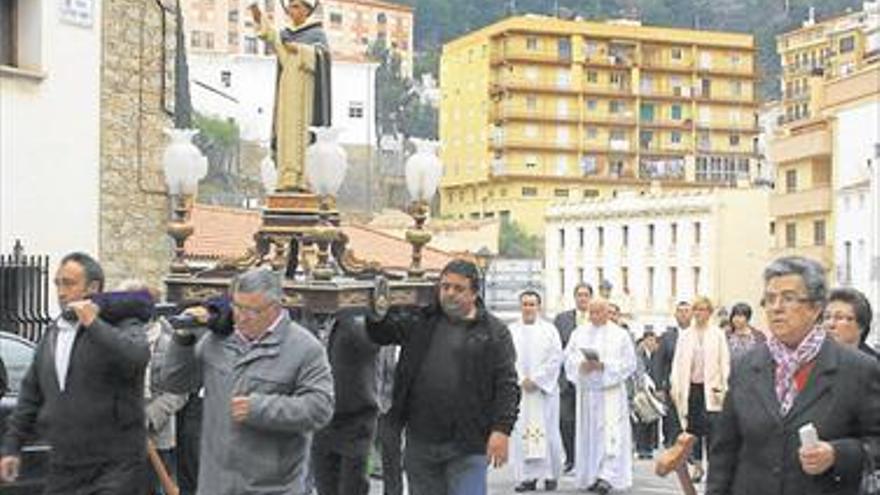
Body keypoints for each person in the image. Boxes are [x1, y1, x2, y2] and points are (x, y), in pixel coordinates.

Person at [708, 256, 880, 495]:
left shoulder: (858, 368)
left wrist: (837, 454)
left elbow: (875, 441)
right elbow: (724, 454)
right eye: (769, 299)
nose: (776, 307)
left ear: (816, 307)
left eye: (788, 298)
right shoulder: (746, 366)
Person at [158, 267, 334, 495]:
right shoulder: (217, 340)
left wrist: (259, 408)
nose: (241, 317)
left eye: (252, 310)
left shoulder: (305, 348)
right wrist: (183, 339)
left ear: (276, 307)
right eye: (237, 307)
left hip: (272, 488)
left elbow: (321, 408)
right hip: (215, 485)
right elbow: (175, 383)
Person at [0, 252, 152, 493]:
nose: (61, 292)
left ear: (93, 287)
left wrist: (94, 324)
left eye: (69, 284)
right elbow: (30, 396)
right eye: (58, 284)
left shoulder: (123, 324)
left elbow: (136, 358)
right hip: (65, 465)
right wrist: (12, 448)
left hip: (115, 469)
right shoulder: (52, 334)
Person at [365, 259, 520, 495]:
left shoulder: (493, 332)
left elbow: (506, 385)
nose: (450, 294)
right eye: (445, 287)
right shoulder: (421, 321)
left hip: (468, 443)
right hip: (421, 441)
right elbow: (381, 333)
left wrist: (502, 429)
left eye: (459, 289)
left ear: (475, 293)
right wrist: (377, 308)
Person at [116, 280, 189, 495]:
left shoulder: (169, 343)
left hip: (157, 440)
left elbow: (178, 391)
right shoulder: (115, 340)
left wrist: (148, 417)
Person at [251, 0, 331, 192]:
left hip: (305, 92)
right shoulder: (285, 34)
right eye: (290, 6)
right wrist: (256, 13)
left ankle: (302, 177)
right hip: (287, 89)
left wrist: (301, 50)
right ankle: (286, 176)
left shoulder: (316, 34)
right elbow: (270, 35)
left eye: (296, 7)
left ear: (306, 10)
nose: (291, 11)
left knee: (301, 132)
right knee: (286, 130)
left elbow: (323, 56)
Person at [563, 298, 637, 495]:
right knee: (590, 434)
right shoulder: (579, 333)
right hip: (588, 394)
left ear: (607, 312)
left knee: (610, 435)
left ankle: (608, 475)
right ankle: (591, 475)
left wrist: (605, 366)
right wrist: (581, 365)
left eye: (599, 312)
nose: (594, 316)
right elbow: (568, 357)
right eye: (591, 312)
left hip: (610, 392)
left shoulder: (620, 334)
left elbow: (630, 363)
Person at [311, 313, 380, 495]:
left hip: (356, 420)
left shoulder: (355, 324)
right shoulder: (320, 321)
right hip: (323, 420)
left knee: (352, 487)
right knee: (325, 486)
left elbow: (372, 342)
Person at [670, 296, 730, 483]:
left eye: (703, 310)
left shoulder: (717, 334)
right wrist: (675, 386)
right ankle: (697, 466)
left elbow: (724, 362)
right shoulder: (686, 335)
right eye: (696, 310)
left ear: (709, 312)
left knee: (713, 431)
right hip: (692, 389)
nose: (699, 314)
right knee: (693, 430)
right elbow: (677, 363)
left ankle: (713, 467)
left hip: (711, 389)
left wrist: (724, 387)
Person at [508, 290, 564, 492]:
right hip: (522, 391)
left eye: (532, 304)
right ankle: (527, 477)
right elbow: (508, 359)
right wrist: (521, 378)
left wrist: (538, 379)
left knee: (547, 432)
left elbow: (556, 358)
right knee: (522, 432)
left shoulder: (549, 331)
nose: (528, 308)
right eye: (525, 304)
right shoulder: (512, 330)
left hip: (543, 392)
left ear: (539, 307)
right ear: (520, 306)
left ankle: (550, 474)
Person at [552, 282, 592, 472]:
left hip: (590, 381)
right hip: (566, 381)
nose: (582, 298)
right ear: (575, 297)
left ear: (590, 298)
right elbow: (556, 348)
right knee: (566, 419)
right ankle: (570, 458)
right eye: (579, 295)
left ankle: (587, 459)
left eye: (585, 295)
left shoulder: (596, 318)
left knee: (588, 420)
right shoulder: (562, 319)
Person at [652, 301, 691, 448]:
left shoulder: (696, 334)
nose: (683, 314)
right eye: (680, 311)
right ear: (675, 315)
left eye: (686, 311)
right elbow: (658, 362)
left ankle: (691, 453)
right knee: (673, 420)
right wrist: (658, 387)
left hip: (693, 385)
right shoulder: (667, 337)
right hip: (672, 386)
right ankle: (673, 449)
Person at [373, 345, 403, 495]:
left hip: (413, 407)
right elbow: (379, 374)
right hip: (387, 406)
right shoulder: (387, 345)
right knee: (390, 454)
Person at [824, 287, 879, 360]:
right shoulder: (814, 362)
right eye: (827, 317)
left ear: (861, 326)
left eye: (839, 317)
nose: (830, 324)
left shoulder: (874, 366)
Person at [634, 329, 660, 459]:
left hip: (654, 390)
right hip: (642, 390)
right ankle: (641, 447)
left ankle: (650, 447)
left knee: (653, 419)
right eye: (648, 340)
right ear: (644, 341)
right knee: (642, 419)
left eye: (652, 340)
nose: (650, 343)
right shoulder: (638, 354)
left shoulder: (657, 353)